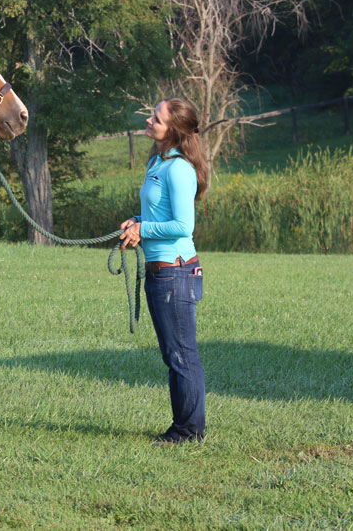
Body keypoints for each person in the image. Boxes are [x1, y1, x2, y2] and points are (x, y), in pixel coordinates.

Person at [119, 97, 209, 445]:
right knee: (173, 355)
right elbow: (161, 216)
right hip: (161, 274)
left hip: (176, 274)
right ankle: (184, 427)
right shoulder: (158, 161)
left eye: (156, 117)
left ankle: (188, 431)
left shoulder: (179, 169)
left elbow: (183, 226)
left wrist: (144, 231)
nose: (149, 119)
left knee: (182, 355)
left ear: (173, 128)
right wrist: (139, 221)